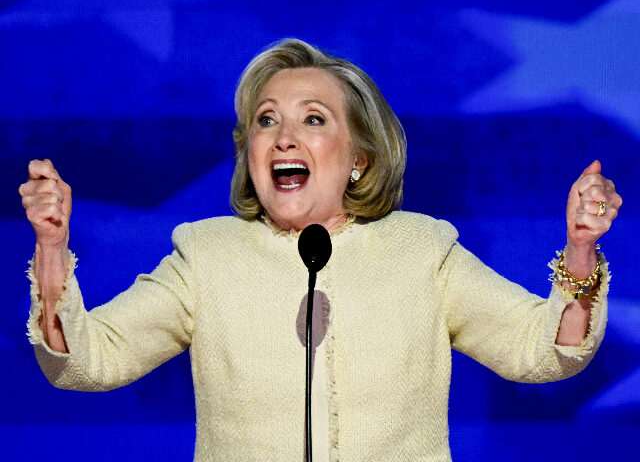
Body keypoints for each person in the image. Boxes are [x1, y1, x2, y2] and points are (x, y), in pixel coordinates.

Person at [19, 39, 622, 461]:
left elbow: (542, 353)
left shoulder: (422, 250)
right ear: (250, 151)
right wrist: (52, 249)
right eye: (265, 119)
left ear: (359, 158)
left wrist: (578, 250)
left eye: (313, 119)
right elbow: (86, 362)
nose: (283, 136)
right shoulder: (206, 255)